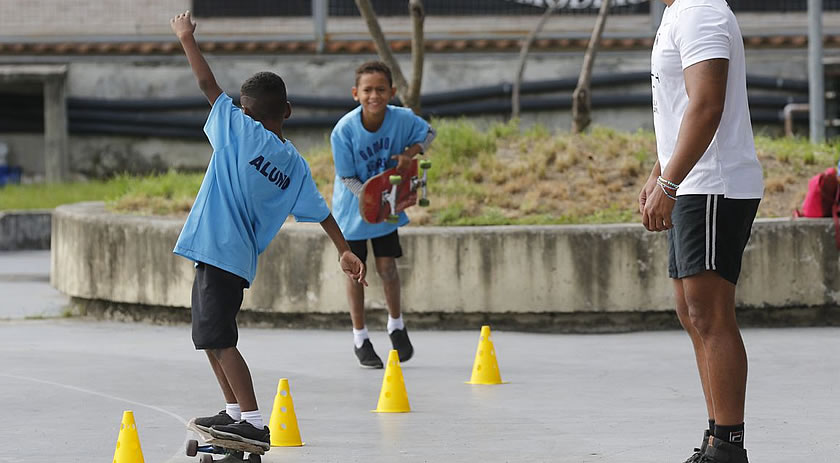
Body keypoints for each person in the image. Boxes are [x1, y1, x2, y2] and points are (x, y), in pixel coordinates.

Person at [169, 11, 367, 449]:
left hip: (217, 250)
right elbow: (320, 212)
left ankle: (255, 421)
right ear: (288, 112)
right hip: (237, 260)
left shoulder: (237, 130)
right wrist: (345, 250)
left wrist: (185, 38)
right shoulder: (293, 163)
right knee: (209, 337)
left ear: (243, 111)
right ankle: (233, 414)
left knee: (218, 340)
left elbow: (206, 86)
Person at [639, 1, 763, 462]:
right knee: (691, 312)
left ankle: (729, 447)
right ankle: (716, 439)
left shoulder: (701, 11)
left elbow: (707, 106)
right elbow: (680, 112)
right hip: (693, 181)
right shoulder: (677, 13)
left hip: (714, 182)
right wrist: (660, 172)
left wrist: (671, 181)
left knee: (710, 314)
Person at [330, 61, 436, 368]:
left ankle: (396, 325)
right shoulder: (344, 131)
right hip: (354, 212)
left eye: (380, 89)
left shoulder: (402, 118)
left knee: (388, 266)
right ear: (355, 93)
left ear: (391, 91)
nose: (374, 95)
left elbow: (429, 133)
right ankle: (360, 336)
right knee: (356, 273)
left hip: (387, 210)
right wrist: (370, 196)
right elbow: (347, 177)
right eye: (367, 90)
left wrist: (410, 153)